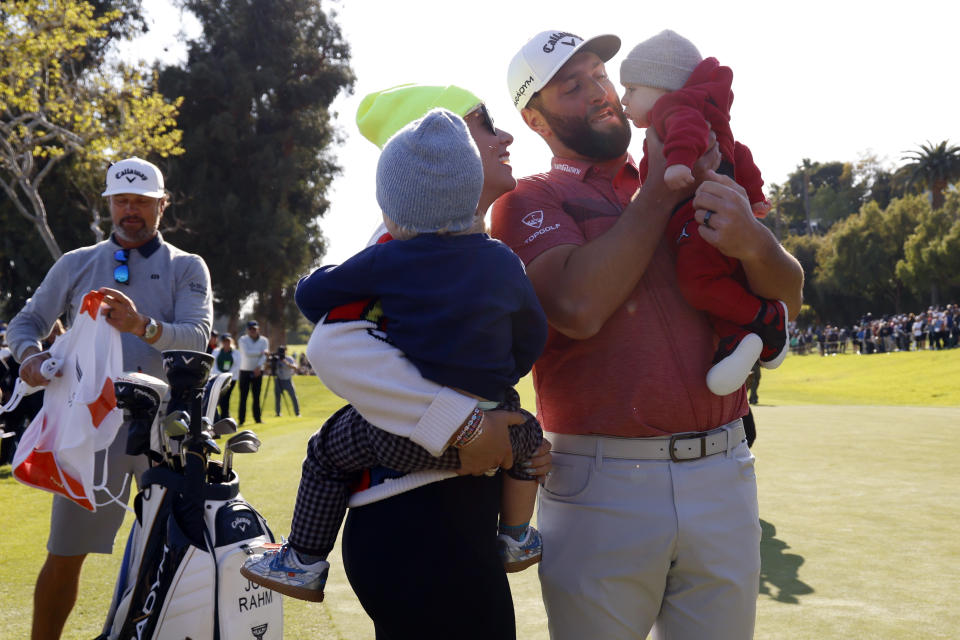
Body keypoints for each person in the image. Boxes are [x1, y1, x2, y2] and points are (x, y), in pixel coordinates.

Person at [493, 30, 803, 640]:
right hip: (601, 482)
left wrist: (754, 240)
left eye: (601, 76)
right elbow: (579, 307)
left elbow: (786, 299)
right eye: (572, 86)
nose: (601, 93)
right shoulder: (528, 200)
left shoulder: (693, 166)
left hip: (724, 469)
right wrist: (662, 189)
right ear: (535, 119)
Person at [255, 84, 549, 638]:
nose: (504, 135)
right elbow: (330, 346)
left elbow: (315, 298)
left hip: (443, 509)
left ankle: (302, 558)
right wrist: (471, 416)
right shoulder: (406, 249)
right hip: (415, 515)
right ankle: (519, 533)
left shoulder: (398, 252)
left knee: (327, 450)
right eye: (481, 126)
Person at [5, 156, 212, 640]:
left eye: (142, 201)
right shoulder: (76, 263)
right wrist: (31, 359)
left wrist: (144, 326)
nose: (131, 211)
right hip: (90, 432)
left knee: (179, 555)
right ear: (109, 205)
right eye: (122, 201)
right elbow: (25, 324)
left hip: (167, 429)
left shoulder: (186, 266)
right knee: (65, 552)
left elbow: (199, 338)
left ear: (163, 204)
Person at [618, 30, 787, 395]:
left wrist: (677, 163)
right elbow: (739, 153)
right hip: (714, 216)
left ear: (661, 86)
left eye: (631, 89)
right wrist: (755, 195)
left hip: (697, 216)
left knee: (698, 283)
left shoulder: (673, 110)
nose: (623, 99)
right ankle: (736, 336)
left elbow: (687, 130)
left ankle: (766, 319)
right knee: (713, 284)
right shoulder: (711, 118)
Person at [237, 320, 268, 424]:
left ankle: (258, 419)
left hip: (258, 371)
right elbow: (246, 353)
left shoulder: (264, 340)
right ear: (247, 330)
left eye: (254, 329)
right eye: (250, 329)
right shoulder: (243, 339)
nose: (252, 331)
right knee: (243, 397)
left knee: (256, 397)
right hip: (244, 370)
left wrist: (259, 367)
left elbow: (265, 356)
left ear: (258, 329)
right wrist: (261, 352)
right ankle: (241, 420)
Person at [210, 333, 240, 418]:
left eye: (228, 341)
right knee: (216, 398)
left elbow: (236, 366)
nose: (227, 343)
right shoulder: (216, 351)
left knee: (226, 398)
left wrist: (227, 375)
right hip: (218, 378)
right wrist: (221, 375)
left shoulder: (236, 353)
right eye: (225, 341)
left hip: (231, 379)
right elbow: (213, 365)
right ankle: (217, 416)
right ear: (222, 342)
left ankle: (225, 416)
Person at [271, 345, 300, 417]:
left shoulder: (289, 358)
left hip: (287, 380)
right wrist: (272, 362)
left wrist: (285, 362)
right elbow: (268, 368)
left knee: (293, 397)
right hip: (278, 380)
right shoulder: (276, 359)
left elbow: (295, 367)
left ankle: (297, 413)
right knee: (277, 397)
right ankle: (278, 413)